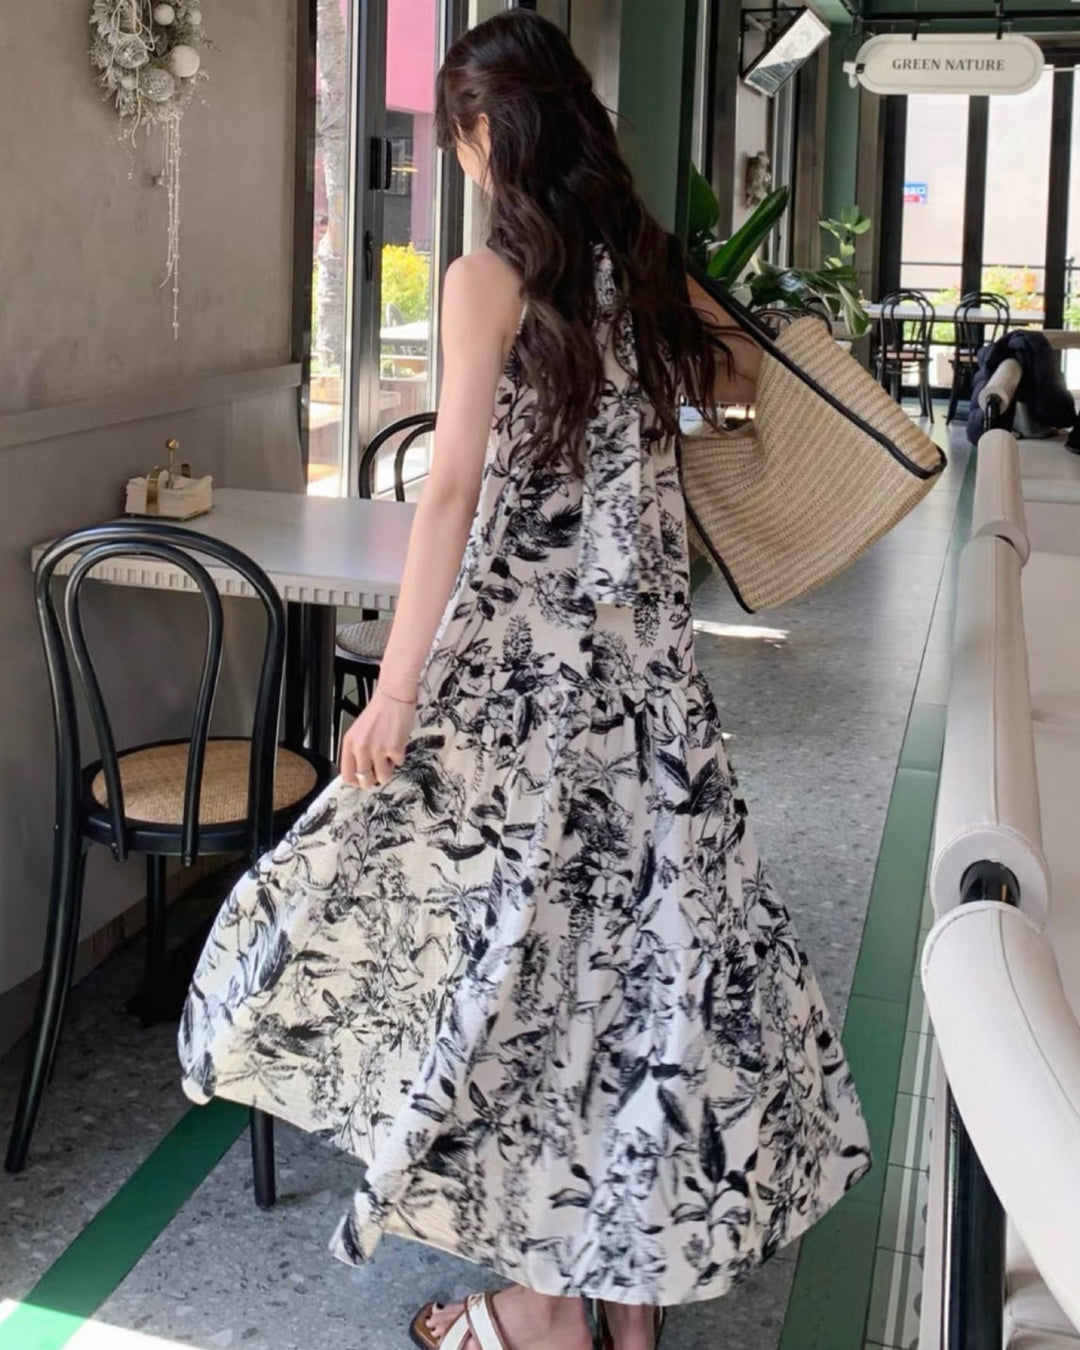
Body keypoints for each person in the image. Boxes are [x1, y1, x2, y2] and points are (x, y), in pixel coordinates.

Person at [178, 12, 870, 1350]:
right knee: (652, 966)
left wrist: (394, 691)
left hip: (524, 691)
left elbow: (449, 493)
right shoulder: (649, 266)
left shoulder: (488, 276)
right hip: (652, 695)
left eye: (461, 139)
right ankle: (625, 1297)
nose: (465, 162)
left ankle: (547, 1306)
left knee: (514, 970)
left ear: (493, 131)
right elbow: (746, 374)